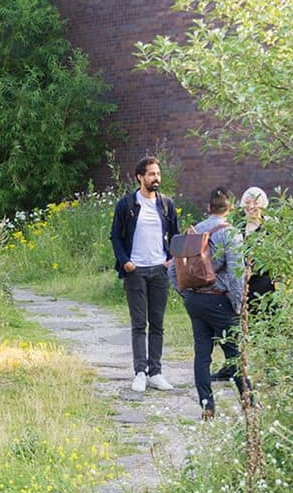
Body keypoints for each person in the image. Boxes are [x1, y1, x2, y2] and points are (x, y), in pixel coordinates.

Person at [171, 188, 252, 419]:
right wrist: (238, 305)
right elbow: (237, 275)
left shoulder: (194, 232)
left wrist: (186, 294)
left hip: (195, 299)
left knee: (202, 354)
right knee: (234, 353)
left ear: (208, 208)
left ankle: (207, 406)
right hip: (218, 300)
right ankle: (250, 403)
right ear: (231, 208)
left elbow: (171, 270)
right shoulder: (231, 234)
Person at [110, 156, 180, 393]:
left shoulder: (166, 205)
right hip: (135, 271)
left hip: (159, 270)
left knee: (157, 323)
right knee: (139, 323)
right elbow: (116, 236)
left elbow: (176, 236)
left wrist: (170, 260)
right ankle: (140, 372)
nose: (156, 178)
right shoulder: (127, 204)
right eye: (151, 174)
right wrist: (125, 262)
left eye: (158, 174)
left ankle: (156, 372)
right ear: (140, 177)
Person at [239, 187, 275, 310]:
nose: (251, 206)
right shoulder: (238, 229)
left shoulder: (270, 228)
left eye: (256, 203)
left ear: (263, 206)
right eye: (247, 202)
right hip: (243, 286)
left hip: (266, 284)